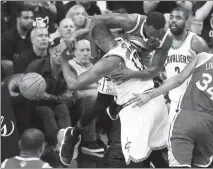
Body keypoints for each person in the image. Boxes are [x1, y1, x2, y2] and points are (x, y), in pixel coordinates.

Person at [59, 22, 169, 166]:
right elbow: (95, 29)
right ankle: (74, 134)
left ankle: (114, 107)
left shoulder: (108, 62)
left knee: (126, 162)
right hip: (156, 102)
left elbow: (73, 84)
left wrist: (63, 59)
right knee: (156, 156)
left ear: (97, 42)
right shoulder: (126, 40)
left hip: (138, 109)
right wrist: (71, 37)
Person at [128, 51, 213, 167]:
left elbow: (178, 80)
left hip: (186, 119)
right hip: (209, 126)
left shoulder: (202, 57)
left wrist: (149, 95)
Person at [142, 7, 208, 123]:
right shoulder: (164, 43)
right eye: (171, 17)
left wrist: (197, 65)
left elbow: (210, 71)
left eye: (178, 18)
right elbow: (160, 69)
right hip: (174, 101)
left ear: (187, 23)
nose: (173, 20)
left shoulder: (196, 42)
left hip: (194, 104)